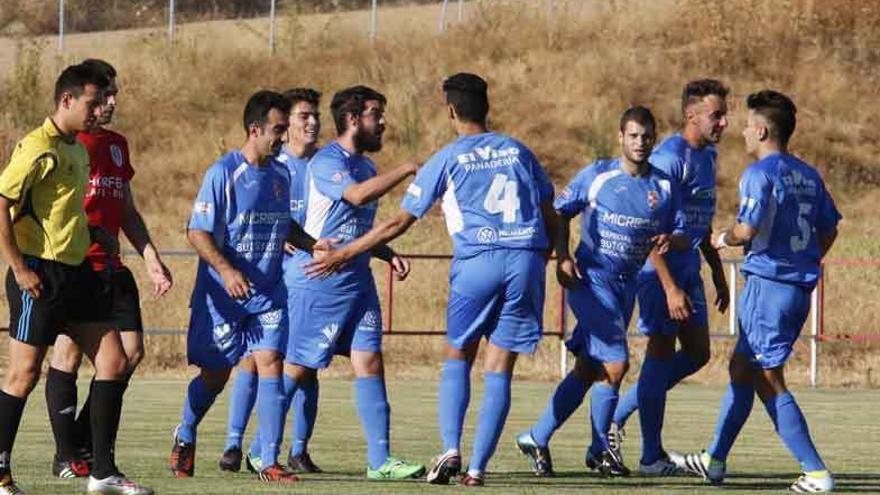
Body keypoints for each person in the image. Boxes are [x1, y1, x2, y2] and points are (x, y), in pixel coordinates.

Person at [304, 73, 561, 487]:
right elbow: (550, 209)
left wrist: (347, 252)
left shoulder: (449, 156)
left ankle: (450, 448)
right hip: (526, 260)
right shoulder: (518, 150)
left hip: (478, 260)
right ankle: (477, 470)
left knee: (458, 354)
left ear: (451, 111)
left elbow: (399, 222)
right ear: (486, 107)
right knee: (500, 365)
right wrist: (560, 256)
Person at [513, 106, 690, 478]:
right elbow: (560, 213)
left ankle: (536, 436)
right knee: (617, 363)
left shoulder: (663, 187)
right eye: (633, 135)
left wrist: (674, 243)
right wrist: (562, 257)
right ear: (620, 137)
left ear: (654, 138)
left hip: (626, 285)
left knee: (590, 368)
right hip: (591, 279)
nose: (639, 142)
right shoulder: (597, 175)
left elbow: (673, 235)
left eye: (646, 136)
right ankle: (600, 449)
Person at [0, 63, 151, 495]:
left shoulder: (78, 150)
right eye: (92, 101)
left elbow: (65, 214)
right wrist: (20, 268)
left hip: (78, 271)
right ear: (67, 100)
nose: (100, 108)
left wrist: (98, 233)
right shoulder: (36, 146)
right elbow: (2, 206)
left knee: (115, 362)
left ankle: (102, 473)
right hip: (39, 275)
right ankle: (0, 472)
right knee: (23, 375)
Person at [680, 90, 840, 493]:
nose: (743, 132)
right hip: (793, 289)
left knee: (768, 378)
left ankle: (816, 471)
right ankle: (714, 460)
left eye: (749, 125)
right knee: (742, 369)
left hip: (769, 288)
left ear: (764, 129)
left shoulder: (760, 174)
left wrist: (721, 238)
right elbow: (830, 227)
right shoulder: (807, 173)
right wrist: (802, 261)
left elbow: (746, 230)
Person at [168, 90, 324, 484]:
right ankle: (186, 432)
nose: (284, 136)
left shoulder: (281, 173)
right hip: (223, 295)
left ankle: (268, 460)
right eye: (277, 129)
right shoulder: (223, 172)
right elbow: (197, 232)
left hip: (269, 292)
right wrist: (226, 271)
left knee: (271, 362)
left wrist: (312, 244)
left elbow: (282, 223)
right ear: (254, 130)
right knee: (216, 375)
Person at [279, 85, 424, 481]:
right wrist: (409, 168)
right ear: (352, 119)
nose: (384, 122)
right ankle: (262, 452)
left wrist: (386, 253)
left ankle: (380, 461)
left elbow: (354, 228)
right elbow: (356, 198)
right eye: (377, 114)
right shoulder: (326, 161)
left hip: (357, 281)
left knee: (370, 361)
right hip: (318, 278)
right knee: (296, 367)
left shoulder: (366, 167)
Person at [44, 59, 173, 482]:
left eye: (114, 94)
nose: (112, 102)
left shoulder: (118, 145)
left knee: (130, 354)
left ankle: (84, 440)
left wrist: (151, 256)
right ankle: (67, 456)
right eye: (105, 95)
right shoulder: (68, 144)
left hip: (114, 268)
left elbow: (128, 211)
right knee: (67, 353)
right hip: (76, 265)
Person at [609, 79, 731, 474]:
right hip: (659, 274)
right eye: (717, 115)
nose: (724, 122)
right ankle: (650, 456)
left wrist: (716, 271)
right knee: (659, 354)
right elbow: (650, 231)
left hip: (690, 269)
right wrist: (669, 286)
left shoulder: (708, 157)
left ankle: (621, 414)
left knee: (698, 353)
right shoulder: (668, 158)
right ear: (691, 116)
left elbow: (702, 220)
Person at [219, 87, 324, 474]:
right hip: (267, 278)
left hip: (310, 276)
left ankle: (295, 448)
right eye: (302, 117)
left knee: (304, 362)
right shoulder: (270, 166)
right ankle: (235, 443)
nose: (311, 123)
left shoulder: (325, 165)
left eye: (316, 116)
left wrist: (317, 247)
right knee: (257, 359)